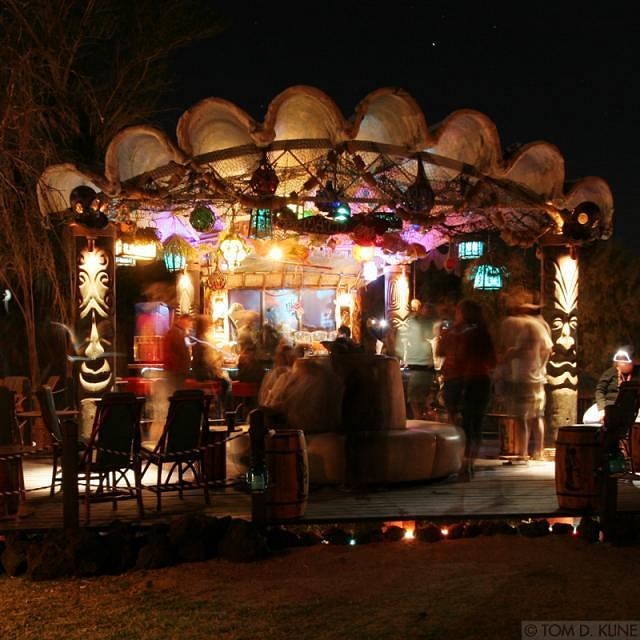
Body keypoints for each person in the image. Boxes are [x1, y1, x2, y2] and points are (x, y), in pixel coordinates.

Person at [437, 298, 496, 481]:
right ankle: (468, 464)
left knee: (458, 424)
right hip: (480, 380)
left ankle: (460, 462)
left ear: (461, 313)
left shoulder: (453, 333)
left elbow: (441, 352)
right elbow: (492, 360)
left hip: (456, 380)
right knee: (475, 424)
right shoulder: (482, 333)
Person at [496, 292, 553, 460]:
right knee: (537, 415)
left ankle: (523, 452)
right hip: (537, 376)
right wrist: (541, 365)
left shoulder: (527, 326)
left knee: (522, 417)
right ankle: (538, 451)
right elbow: (548, 349)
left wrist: (507, 356)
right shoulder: (541, 325)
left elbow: (520, 351)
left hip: (524, 376)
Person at [395, 299, 436, 419]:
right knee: (419, 399)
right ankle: (421, 418)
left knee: (414, 399)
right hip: (424, 369)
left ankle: (419, 419)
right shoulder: (425, 337)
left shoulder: (415, 325)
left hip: (419, 369)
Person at [583, 345, 637, 424]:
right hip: (607, 406)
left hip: (629, 408)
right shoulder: (611, 372)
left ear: (633, 361)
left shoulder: (637, 373)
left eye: (625, 361)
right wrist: (602, 409)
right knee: (587, 419)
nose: (622, 363)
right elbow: (599, 391)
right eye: (620, 361)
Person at [190, 314, 232, 403]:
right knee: (226, 382)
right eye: (209, 324)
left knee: (225, 379)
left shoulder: (198, 337)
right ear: (205, 326)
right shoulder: (204, 339)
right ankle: (220, 405)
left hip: (198, 372)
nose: (211, 326)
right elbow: (208, 360)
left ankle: (216, 404)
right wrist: (219, 358)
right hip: (205, 373)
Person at [162, 313, 192, 395]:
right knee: (176, 392)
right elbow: (183, 350)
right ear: (184, 321)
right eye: (189, 322)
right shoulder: (177, 332)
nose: (191, 325)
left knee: (174, 392)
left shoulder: (176, 331)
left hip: (175, 369)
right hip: (177, 370)